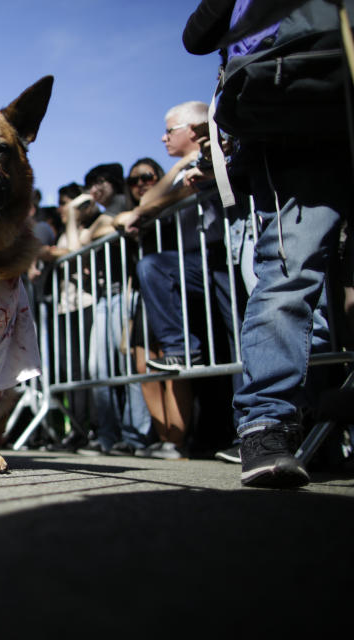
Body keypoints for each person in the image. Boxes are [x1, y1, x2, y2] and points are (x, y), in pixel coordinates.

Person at [183, 0, 353, 487]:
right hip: (298, 102)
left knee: (291, 275)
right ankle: (267, 426)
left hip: (306, 91)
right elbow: (197, 35)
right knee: (290, 272)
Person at [114, 101, 238, 459]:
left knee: (237, 342)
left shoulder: (217, 152)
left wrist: (141, 211)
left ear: (192, 129)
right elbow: (153, 198)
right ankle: (186, 431)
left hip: (223, 251)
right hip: (195, 262)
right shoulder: (185, 165)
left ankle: (237, 430)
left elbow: (171, 197)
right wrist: (181, 164)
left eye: (170, 130)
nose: (163, 136)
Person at [74, 164, 153, 455]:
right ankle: (109, 437)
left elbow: (90, 236)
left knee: (128, 367)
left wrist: (95, 227)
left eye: (97, 184)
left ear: (111, 183)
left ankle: (134, 437)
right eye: (89, 185)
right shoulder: (102, 213)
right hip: (106, 296)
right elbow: (81, 240)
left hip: (127, 292)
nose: (92, 191)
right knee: (101, 369)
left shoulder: (121, 201)